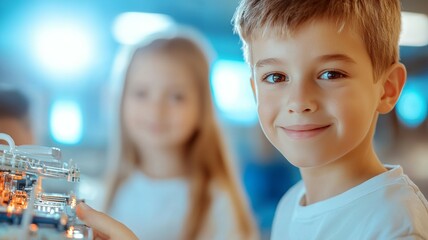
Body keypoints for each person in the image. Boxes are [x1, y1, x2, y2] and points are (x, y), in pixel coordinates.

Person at [231, 0, 428, 239]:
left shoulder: (393, 224)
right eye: (275, 77)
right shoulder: (289, 205)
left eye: (330, 74)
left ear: (387, 89)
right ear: (255, 92)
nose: (299, 101)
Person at [78, 27, 258, 240]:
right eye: (141, 93)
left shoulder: (218, 203)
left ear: (202, 109)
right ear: (120, 102)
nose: (156, 110)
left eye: (176, 97)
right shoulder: (104, 195)